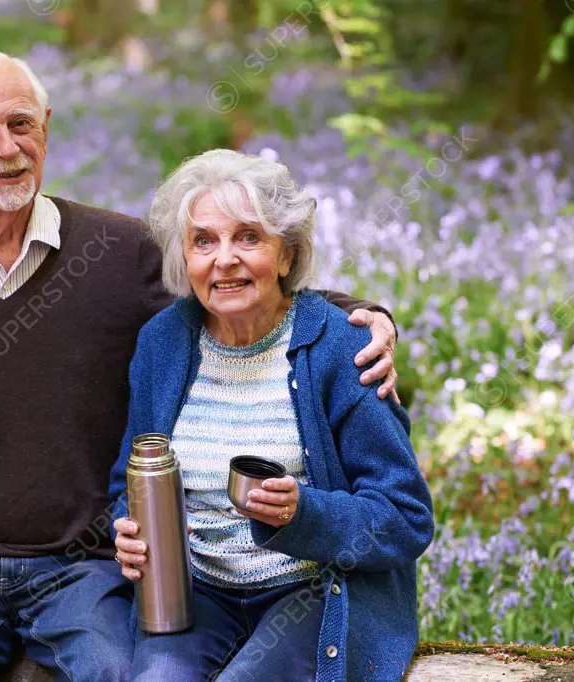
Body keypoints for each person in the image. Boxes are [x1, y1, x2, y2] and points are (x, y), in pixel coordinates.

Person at [0, 51, 402, 681]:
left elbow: (235, 290)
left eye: (21, 124)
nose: (7, 148)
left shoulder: (121, 251)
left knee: (113, 671)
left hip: (83, 562)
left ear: (45, 128)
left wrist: (359, 314)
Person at [110, 149, 434, 682]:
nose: (225, 259)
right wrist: (125, 527)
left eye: (249, 237)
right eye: (204, 241)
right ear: (184, 259)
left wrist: (303, 514)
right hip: (194, 593)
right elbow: (126, 477)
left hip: (310, 592)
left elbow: (406, 516)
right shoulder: (161, 345)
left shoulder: (340, 349)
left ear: (286, 255)